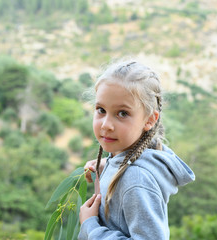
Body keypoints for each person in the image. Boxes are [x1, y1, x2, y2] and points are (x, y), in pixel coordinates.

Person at [78, 59, 195, 240]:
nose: (106, 125)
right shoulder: (125, 156)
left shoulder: (136, 179)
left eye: (122, 113)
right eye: (101, 110)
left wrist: (91, 226)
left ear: (149, 120)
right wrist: (109, 166)